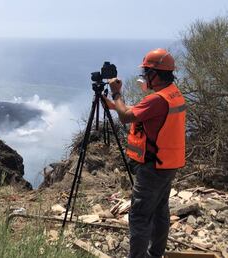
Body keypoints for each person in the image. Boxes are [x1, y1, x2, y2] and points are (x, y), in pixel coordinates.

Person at [104, 48, 186, 258]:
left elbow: (126, 118)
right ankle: (155, 254)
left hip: (153, 166)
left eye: (147, 72)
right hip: (168, 163)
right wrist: (116, 106)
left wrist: (116, 94)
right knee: (160, 211)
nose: (144, 77)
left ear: (156, 74)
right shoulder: (172, 94)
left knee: (139, 216)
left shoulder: (157, 99)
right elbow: (145, 111)